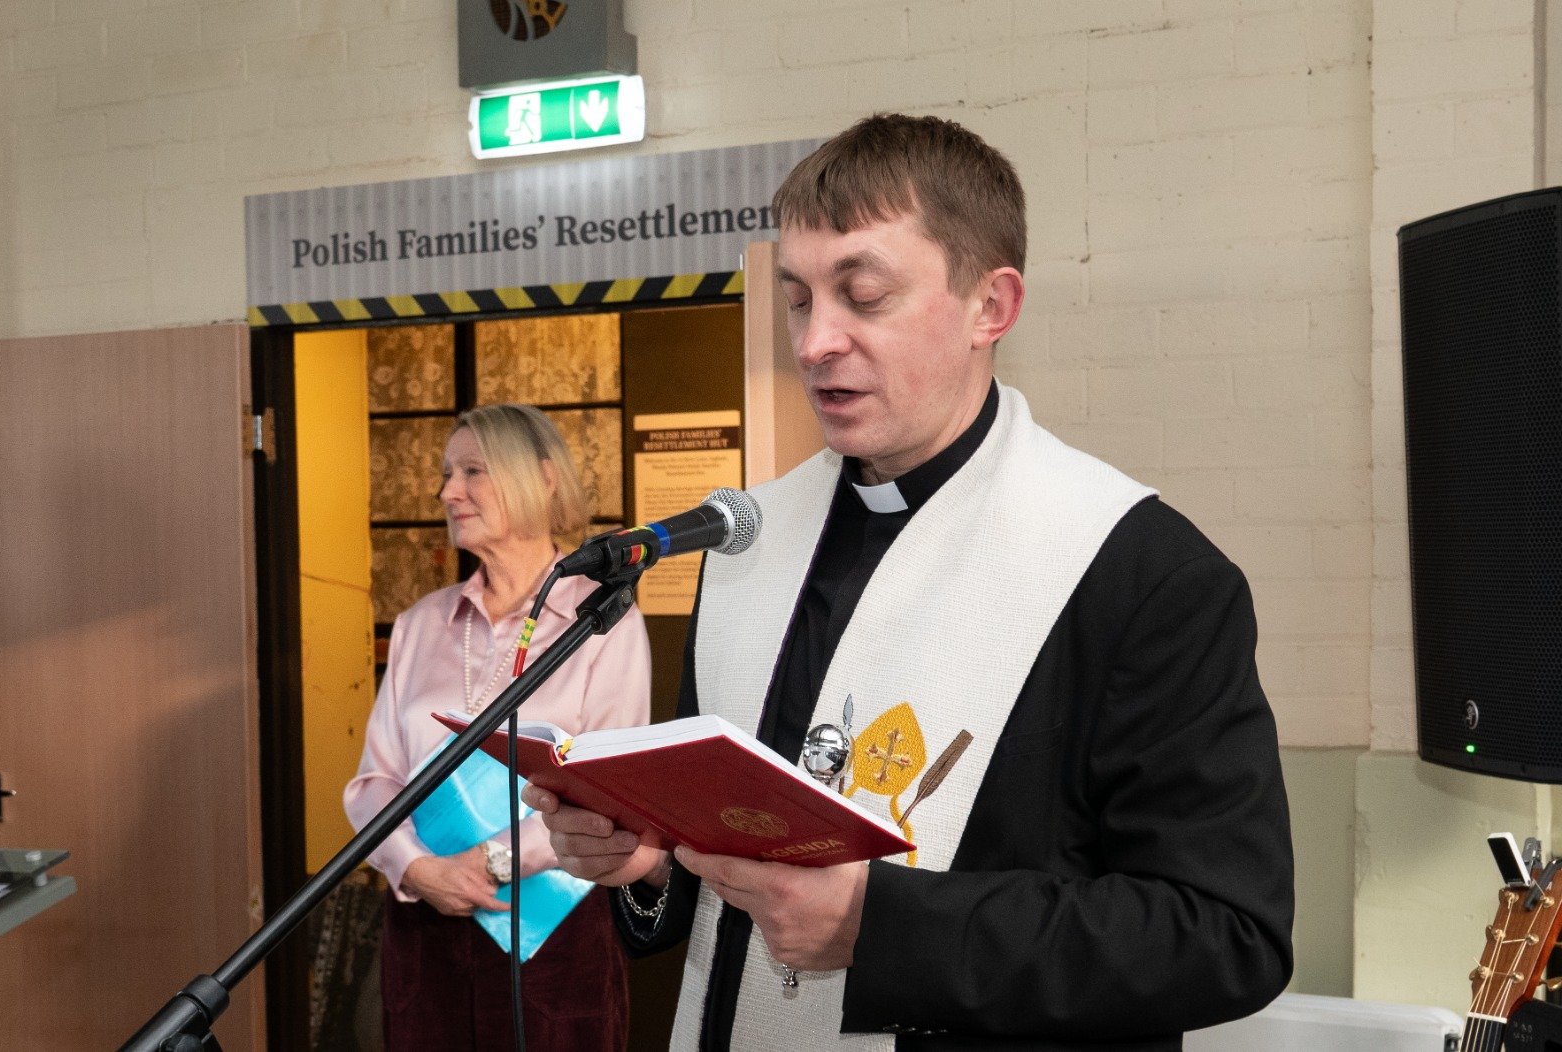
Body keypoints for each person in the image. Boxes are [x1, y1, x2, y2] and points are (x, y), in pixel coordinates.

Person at [525, 114, 1295, 1051]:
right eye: (799, 300)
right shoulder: (749, 539)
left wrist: (879, 928)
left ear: (990, 307)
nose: (815, 342)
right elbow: (729, 869)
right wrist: (650, 867)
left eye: (864, 296)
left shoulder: (1138, 574)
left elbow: (1223, 936)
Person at [344, 403, 651, 1051]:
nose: (448, 492)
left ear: (544, 478)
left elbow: (608, 789)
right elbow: (374, 782)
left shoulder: (604, 619)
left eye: (472, 471)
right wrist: (415, 867)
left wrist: (490, 860)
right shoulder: (419, 624)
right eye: (446, 474)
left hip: (550, 929)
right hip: (425, 922)